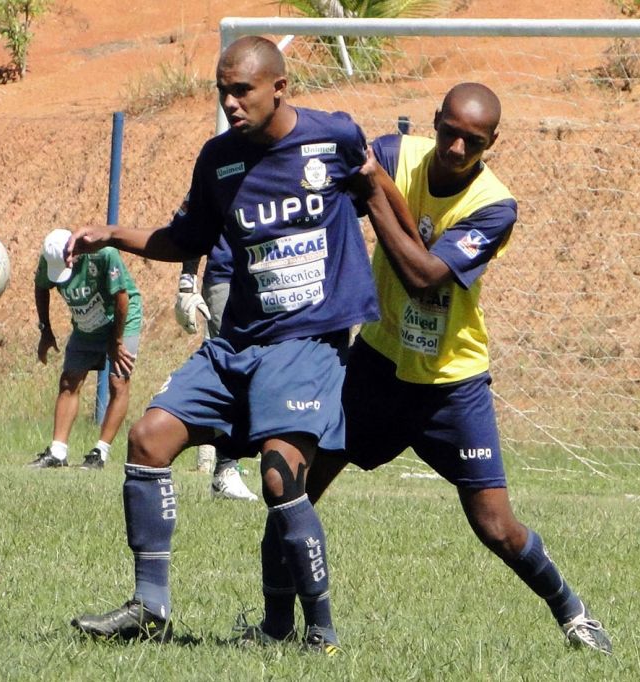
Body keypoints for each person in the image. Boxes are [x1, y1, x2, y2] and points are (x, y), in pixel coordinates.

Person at [252, 83, 614, 654]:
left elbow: (423, 274)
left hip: (451, 383)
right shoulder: (396, 155)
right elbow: (327, 186)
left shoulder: (496, 207)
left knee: (496, 525)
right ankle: (275, 628)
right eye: (449, 131)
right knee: (290, 490)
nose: (455, 147)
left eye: (472, 141)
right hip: (376, 364)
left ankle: (572, 612)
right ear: (435, 121)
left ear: (492, 143)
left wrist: (373, 195)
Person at [66, 35, 379, 654]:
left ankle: (321, 633)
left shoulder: (335, 139)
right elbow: (186, 237)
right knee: (149, 438)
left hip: (307, 342)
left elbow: (379, 190)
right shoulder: (218, 160)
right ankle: (150, 605)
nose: (232, 103)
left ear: (279, 88)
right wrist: (113, 235)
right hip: (237, 341)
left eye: (243, 91)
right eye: (223, 91)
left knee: (278, 480)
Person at [28, 228, 142, 470]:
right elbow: (41, 287)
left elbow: (122, 298)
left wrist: (117, 340)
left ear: (75, 250)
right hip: (86, 322)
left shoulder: (104, 255)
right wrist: (45, 330)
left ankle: (100, 452)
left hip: (121, 318)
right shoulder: (50, 260)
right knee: (69, 380)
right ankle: (57, 453)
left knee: (118, 381)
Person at [175, 244, 258, 502]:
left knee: (265, 367)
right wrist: (187, 283)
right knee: (234, 365)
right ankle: (224, 469)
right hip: (226, 276)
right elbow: (196, 226)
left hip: (272, 277)